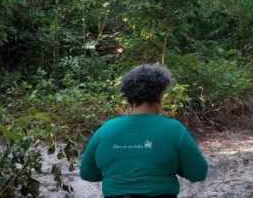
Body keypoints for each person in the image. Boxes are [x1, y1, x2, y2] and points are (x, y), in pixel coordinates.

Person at [80, 64, 208, 197]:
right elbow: (198, 173)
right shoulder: (174, 129)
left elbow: (87, 173)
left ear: (128, 96)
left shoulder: (105, 130)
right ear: (159, 95)